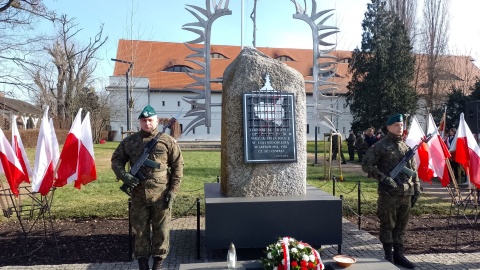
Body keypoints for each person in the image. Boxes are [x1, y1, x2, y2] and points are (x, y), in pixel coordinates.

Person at [111, 105, 184, 270]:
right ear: (140, 122)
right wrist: (124, 175)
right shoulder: (129, 142)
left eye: (150, 120)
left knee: (162, 231)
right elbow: (116, 160)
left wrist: (173, 191)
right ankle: (143, 265)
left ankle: (158, 265)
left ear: (157, 121)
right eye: (144, 120)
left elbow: (178, 167)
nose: (147, 123)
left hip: (161, 195)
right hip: (138, 196)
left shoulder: (167, 141)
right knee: (140, 231)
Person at [362, 114, 420, 269]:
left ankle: (399, 254)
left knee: (401, 226)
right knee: (388, 225)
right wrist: (384, 178)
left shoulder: (406, 147)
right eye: (396, 125)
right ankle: (388, 255)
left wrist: (417, 187)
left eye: (401, 125)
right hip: (389, 194)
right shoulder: (380, 146)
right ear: (388, 127)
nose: (400, 127)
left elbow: (414, 170)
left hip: (406, 193)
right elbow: (367, 165)